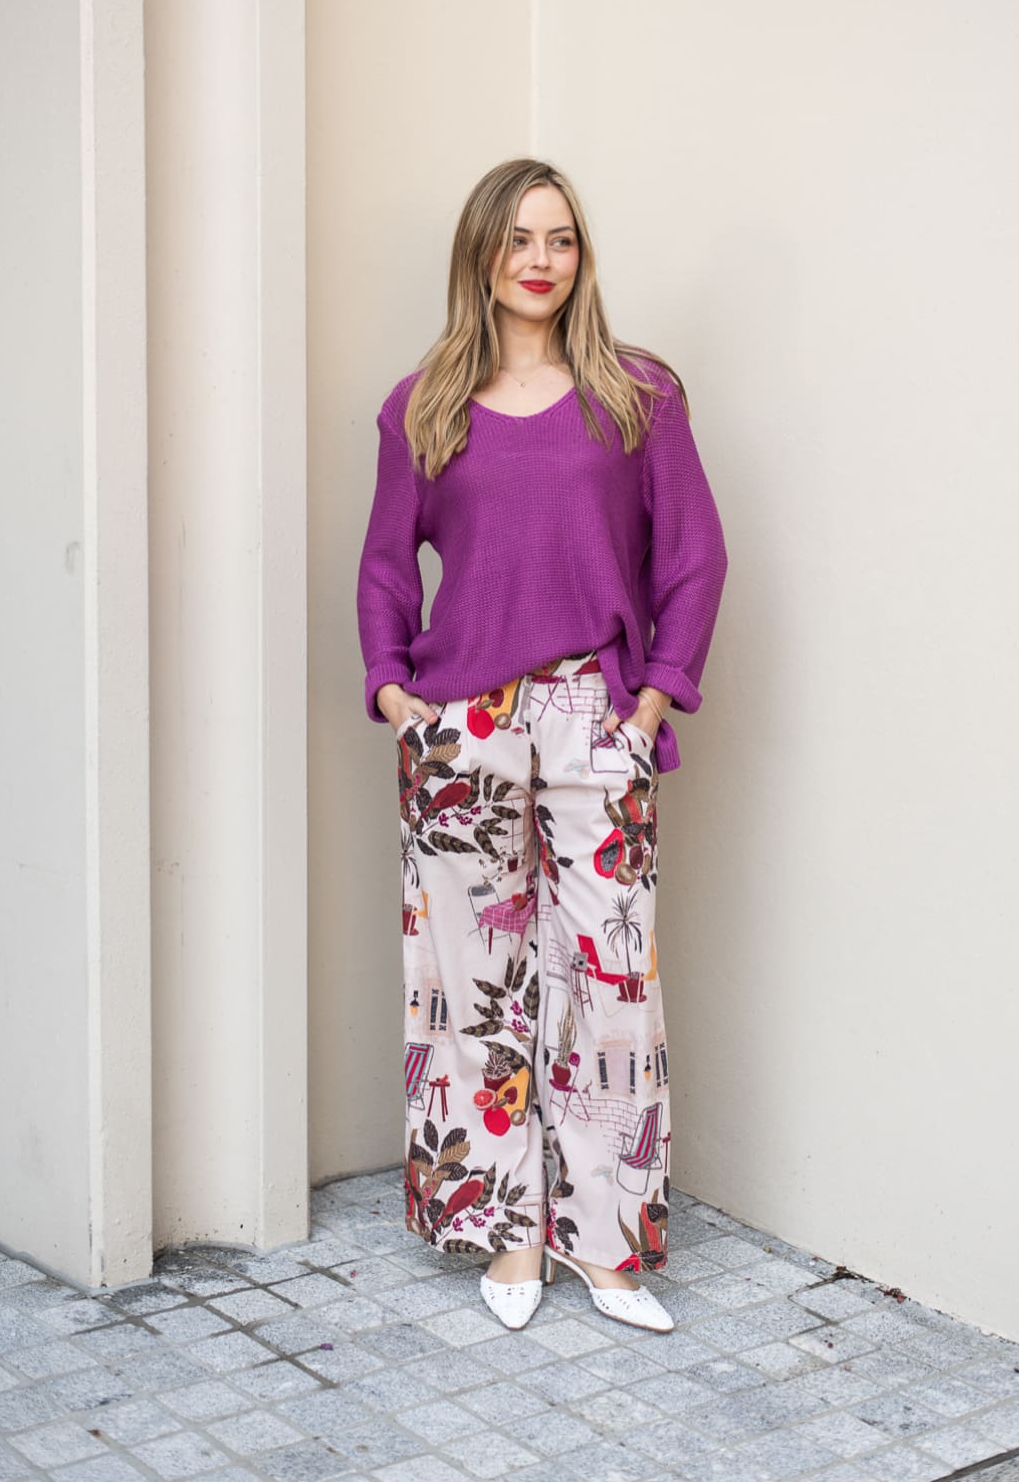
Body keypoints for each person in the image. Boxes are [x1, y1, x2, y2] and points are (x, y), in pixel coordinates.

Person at [356, 158, 728, 1333]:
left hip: (593, 709)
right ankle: (507, 1229)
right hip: (461, 723)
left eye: (560, 238)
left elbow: (695, 554)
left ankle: (606, 1242)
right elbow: (384, 563)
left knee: (609, 980)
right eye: (518, 238)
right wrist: (391, 688)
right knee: (472, 986)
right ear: (481, 253)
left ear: (581, 256)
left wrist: (656, 698)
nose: (540, 259)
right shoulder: (422, 405)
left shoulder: (636, 393)